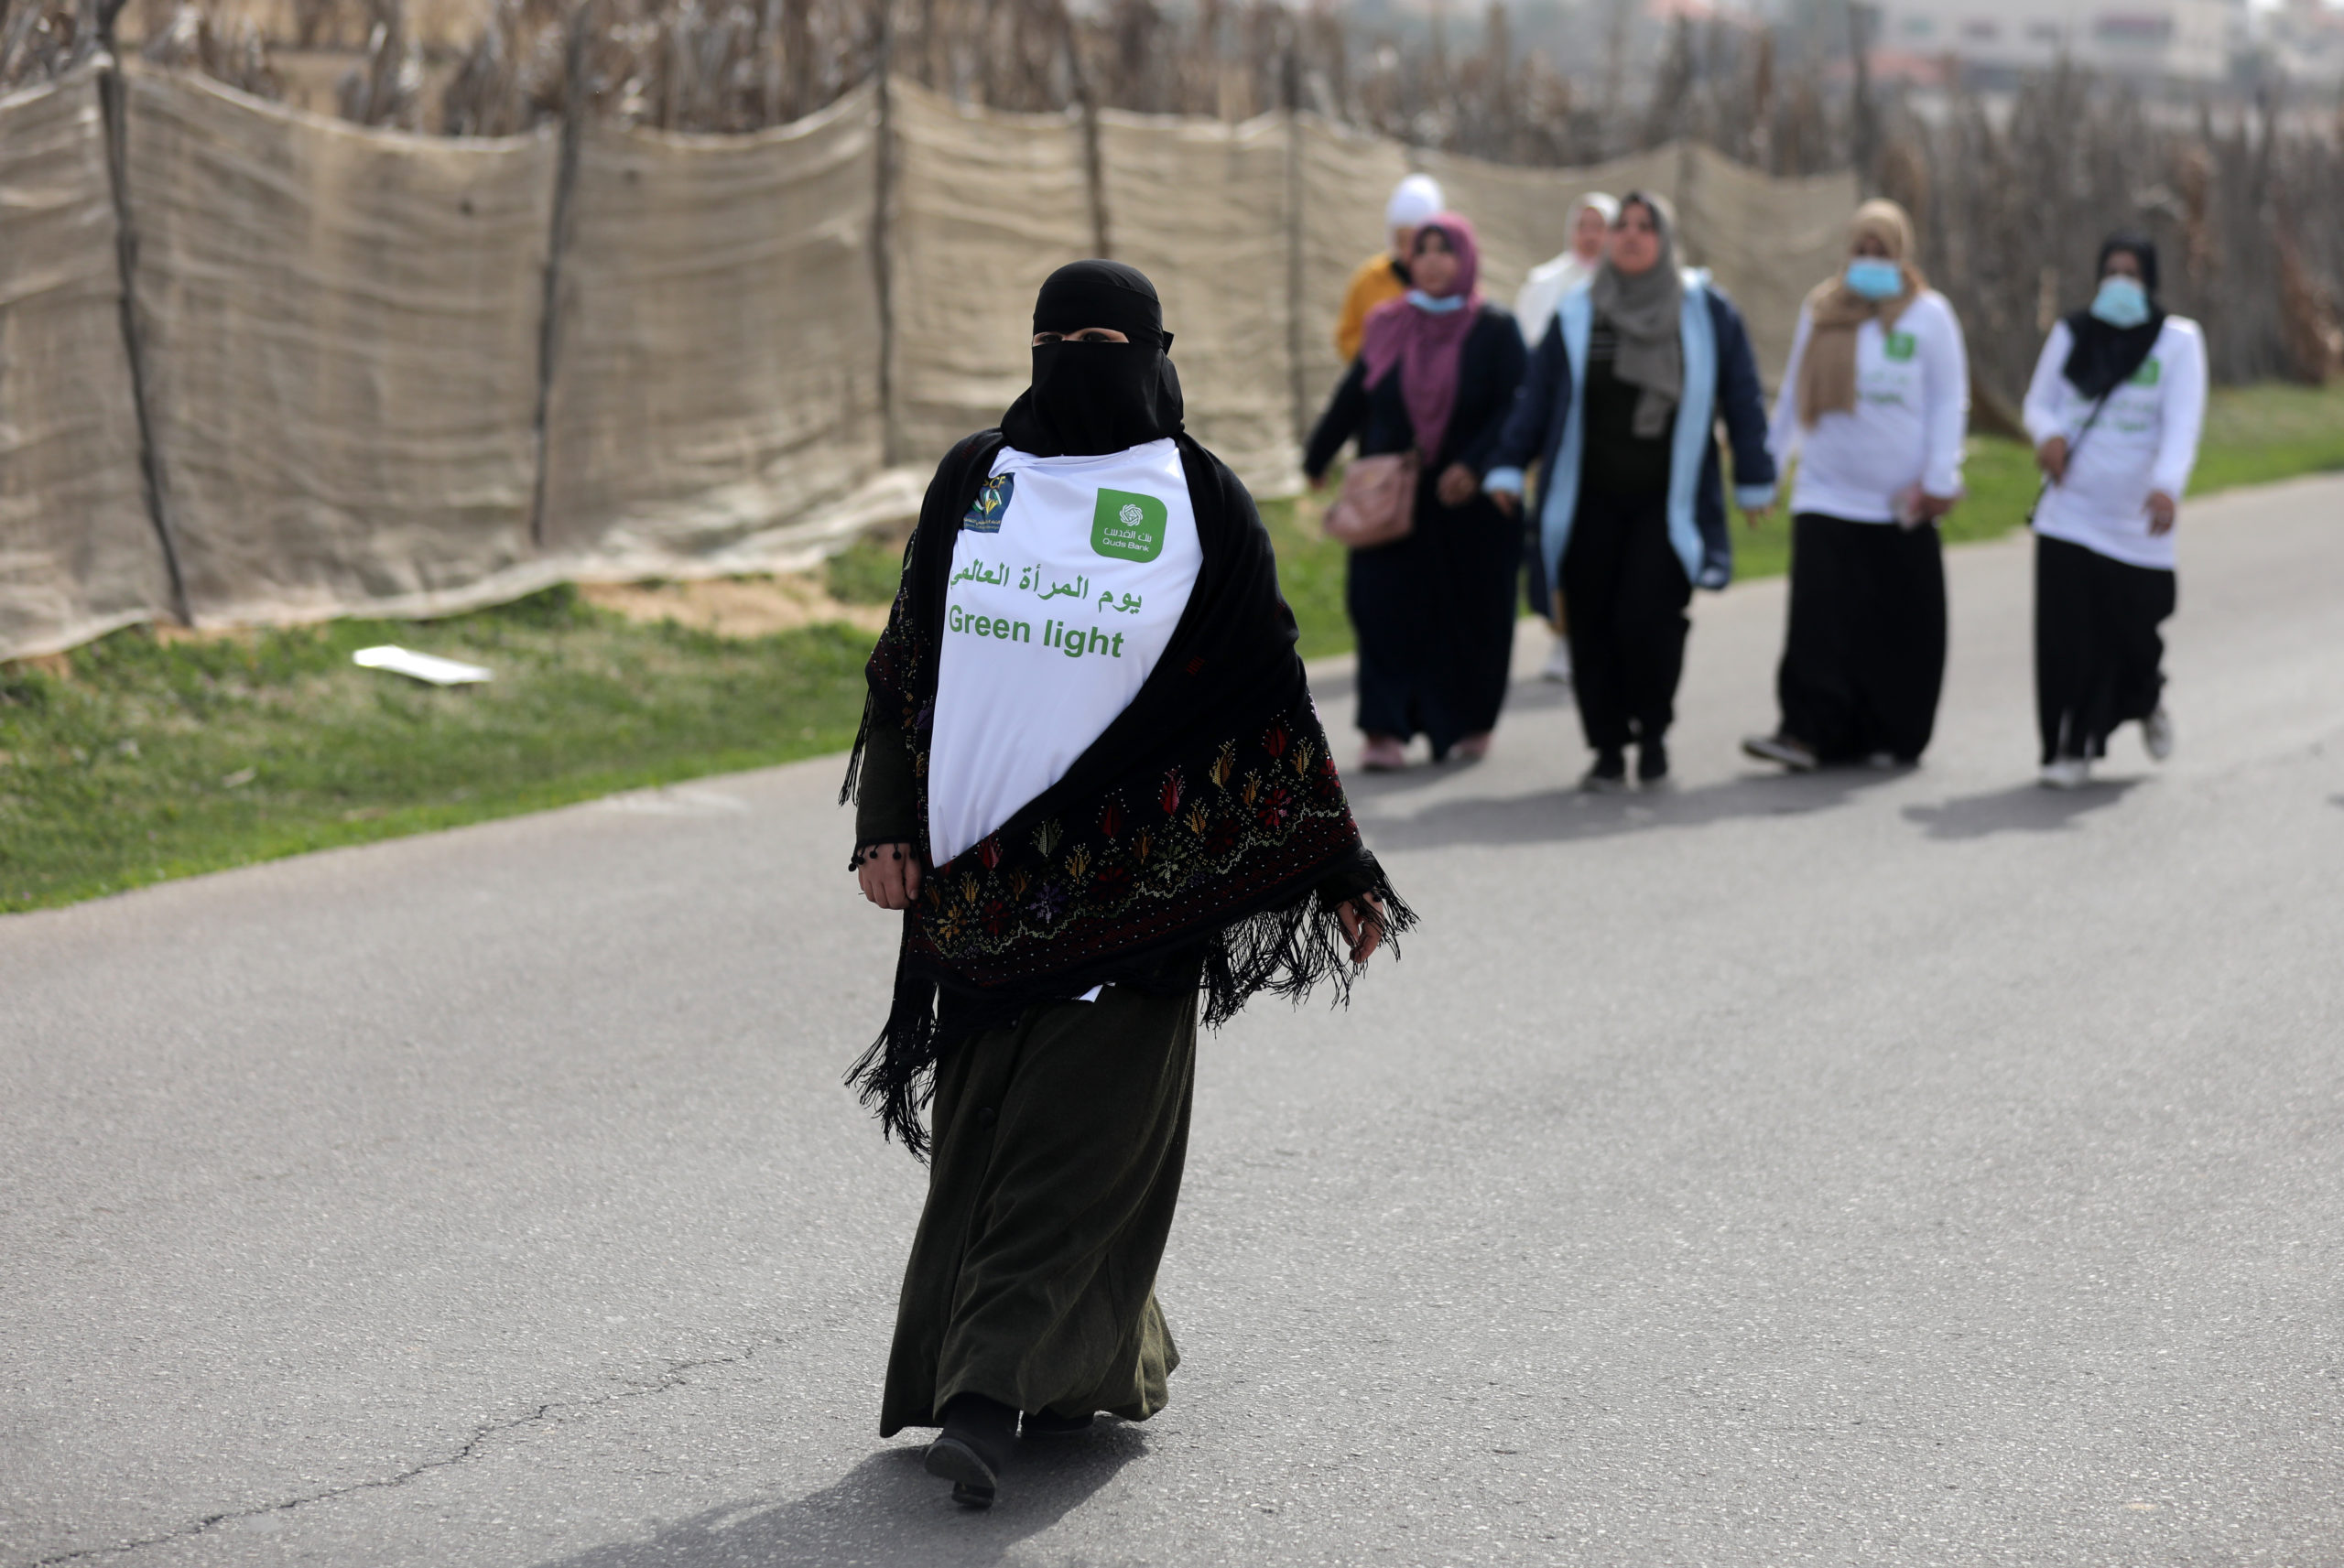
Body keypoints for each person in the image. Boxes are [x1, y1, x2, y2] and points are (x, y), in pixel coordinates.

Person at [844, 260, 1413, 1511]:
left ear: (1157, 355)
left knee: (1079, 1146)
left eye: (1111, 343)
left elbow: (1265, 693)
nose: (1085, 364)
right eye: (1064, 341)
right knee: (993, 1146)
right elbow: (905, 665)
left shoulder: (1198, 498)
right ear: (1032, 350)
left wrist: (1334, 864)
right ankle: (1105, 1358)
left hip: (1138, 883)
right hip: (977, 886)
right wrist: (886, 824)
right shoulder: (976, 479)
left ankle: (982, 1399)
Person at [1483, 192, 1775, 789]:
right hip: (1586, 499)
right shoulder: (1577, 310)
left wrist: (1754, 476)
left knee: (1651, 619)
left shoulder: (1705, 310)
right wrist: (1509, 463)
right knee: (1591, 621)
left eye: (1647, 226)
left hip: (1667, 503)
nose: (1632, 236)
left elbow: (1741, 394)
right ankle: (1608, 745)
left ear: (1666, 239)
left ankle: (1654, 729)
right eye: (1623, 226)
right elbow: (1538, 396)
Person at [1742, 199, 1969, 773]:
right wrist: (1768, 472)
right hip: (1826, 492)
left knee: (1898, 626)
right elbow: (1794, 395)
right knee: (1818, 623)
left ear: (1901, 254)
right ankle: (1807, 733)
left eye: (1881, 251)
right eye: (1861, 249)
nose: (1869, 260)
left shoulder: (1929, 316)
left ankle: (1892, 734)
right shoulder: (1823, 308)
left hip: (1900, 503)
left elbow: (1948, 400)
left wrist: (1941, 475)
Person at [1304, 214, 1528, 771]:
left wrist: (1476, 465)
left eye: (1444, 249)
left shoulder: (1495, 329)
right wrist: (1318, 456)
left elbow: (1517, 406)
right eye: (1422, 250)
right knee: (1380, 607)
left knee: (1470, 614)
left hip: (1469, 505)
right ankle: (1385, 729)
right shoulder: (1386, 323)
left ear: (1465, 258)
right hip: (1393, 496)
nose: (1431, 260)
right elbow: (1354, 395)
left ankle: (1467, 720)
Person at [2022, 233, 2205, 789]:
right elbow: (2038, 402)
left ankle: (2146, 698)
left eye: (2132, 273)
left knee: (2132, 635)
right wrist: (2048, 434)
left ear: (2150, 281)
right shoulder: (2072, 333)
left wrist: (2167, 486)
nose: (2120, 283)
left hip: (2136, 524)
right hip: (2070, 513)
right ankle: (2069, 746)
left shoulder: (2176, 342)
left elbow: (2182, 424)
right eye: (2111, 272)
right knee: (2068, 639)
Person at [1514, 192, 1620, 686]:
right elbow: (1529, 364)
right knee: (1559, 536)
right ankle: (1563, 635)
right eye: (1583, 225)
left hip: (1611, 439)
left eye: (1601, 226)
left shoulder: (1632, 286)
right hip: (1556, 438)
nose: (1590, 235)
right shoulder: (1546, 284)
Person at [1334, 173, 1444, 364]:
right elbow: (1347, 336)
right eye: (1401, 240)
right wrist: (1377, 356)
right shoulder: (1370, 278)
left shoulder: (1447, 283)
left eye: (1416, 241)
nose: (1408, 250)